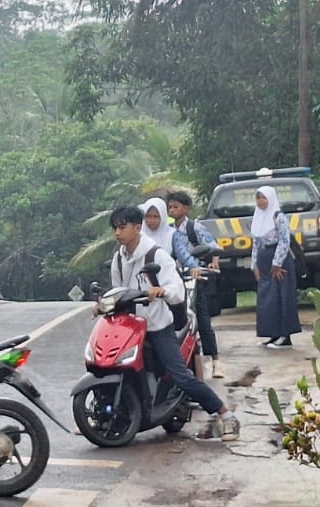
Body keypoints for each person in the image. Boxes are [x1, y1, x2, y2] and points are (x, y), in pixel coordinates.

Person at [108, 205, 239, 441]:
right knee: (112, 365)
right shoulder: (119, 257)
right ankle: (106, 418)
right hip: (130, 327)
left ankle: (226, 415)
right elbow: (117, 289)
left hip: (157, 326)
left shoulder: (155, 255)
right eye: (115, 228)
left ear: (137, 228)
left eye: (122, 227)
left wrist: (162, 291)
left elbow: (177, 289)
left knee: (180, 375)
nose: (117, 232)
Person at [165, 190, 223, 379]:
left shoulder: (194, 228)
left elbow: (213, 246)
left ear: (186, 208)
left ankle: (216, 362)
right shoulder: (168, 231)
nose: (172, 210)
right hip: (174, 281)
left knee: (202, 320)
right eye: (170, 207)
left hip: (195, 280)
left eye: (176, 206)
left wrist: (213, 261)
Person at [251, 186, 301, 348]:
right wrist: (255, 265)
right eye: (258, 198)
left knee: (282, 297)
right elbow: (255, 243)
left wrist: (277, 263)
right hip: (264, 261)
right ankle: (272, 333)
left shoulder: (278, 216)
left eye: (263, 198)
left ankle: (285, 335)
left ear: (270, 198)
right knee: (267, 298)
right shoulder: (257, 217)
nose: (260, 201)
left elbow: (284, 240)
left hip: (279, 262)